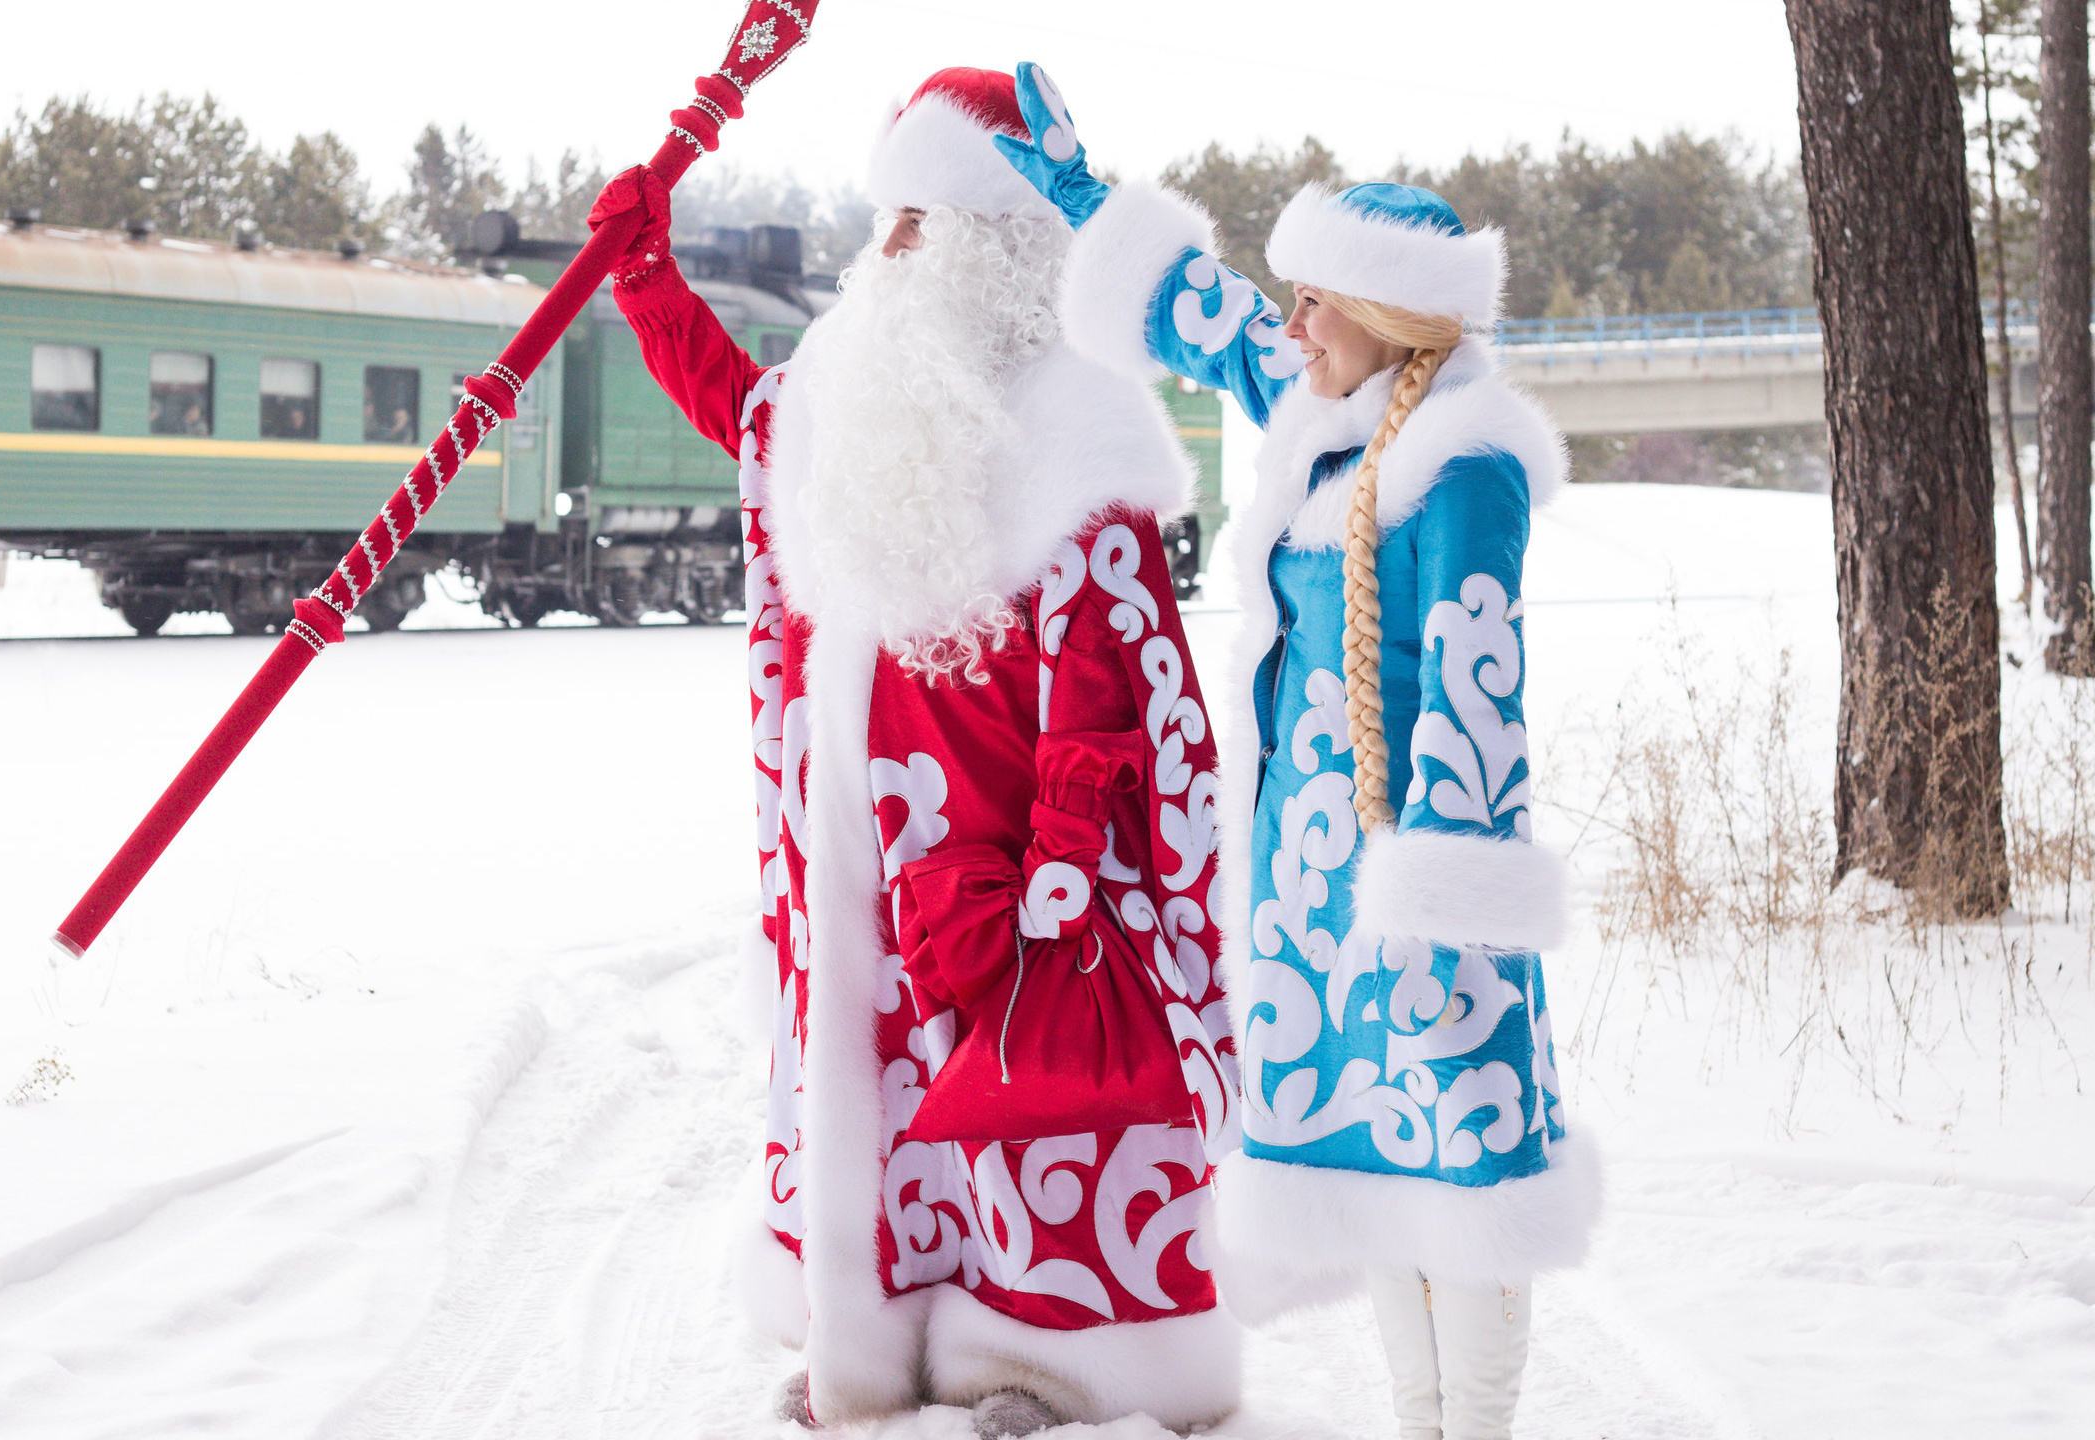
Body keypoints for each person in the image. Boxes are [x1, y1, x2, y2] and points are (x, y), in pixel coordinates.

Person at [588, 66, 1243, 1437]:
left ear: (995, 248)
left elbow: (1116, 674)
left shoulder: (1077, 425)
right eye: (885, 217)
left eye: (916, 223)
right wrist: (646, 283)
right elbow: (743, 412)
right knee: (877, 1095)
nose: (882, 251)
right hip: (864, 846)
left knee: (1025, 1102)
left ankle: (1051, 1366)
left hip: (1011, 859)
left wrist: (1062, 860)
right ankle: (878, 1344)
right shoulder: (856, 387)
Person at [996, 63, 1600, 1440]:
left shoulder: (1462, 459)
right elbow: (1202, 315)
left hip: (1417, 883)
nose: (1290, 323)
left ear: (1385, 316)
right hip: (1310, 883)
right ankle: (1417, 1420)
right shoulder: (1329, 413)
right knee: (1368, 1167)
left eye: (1314, 300)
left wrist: (1441, 899)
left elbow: (1480, 693)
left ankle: (1476, 1428)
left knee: (1459, 1158)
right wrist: (1080, 192)